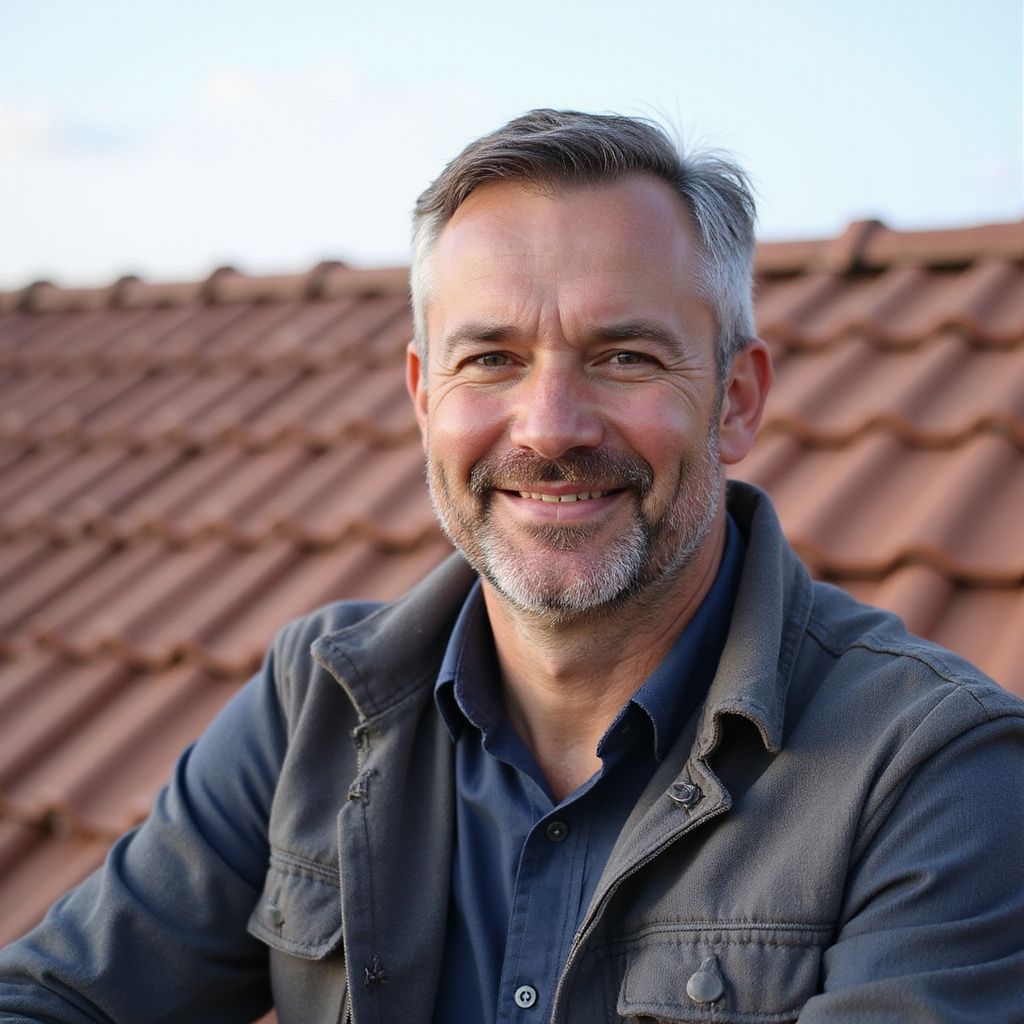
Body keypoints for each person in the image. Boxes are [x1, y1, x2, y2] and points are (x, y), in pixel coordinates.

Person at [1, 109, 1023, 1024]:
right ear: (423, 397)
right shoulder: (315, 701)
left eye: (624, 356)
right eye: (491, 359)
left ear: (737, 400)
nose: (549, 427)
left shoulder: (934, 773)